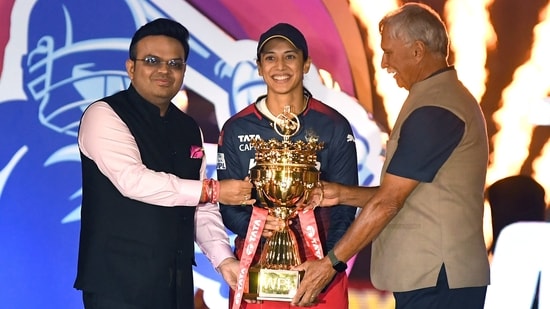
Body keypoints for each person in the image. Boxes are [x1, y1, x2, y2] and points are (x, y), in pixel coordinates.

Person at [291, 3, 491, 308]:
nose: (384, 63)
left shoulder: (435, 109)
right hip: (435, 276)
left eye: (389, 52)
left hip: (439, 279)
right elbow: (408, 193)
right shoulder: (437, 99)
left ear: (417, 51)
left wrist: (329, 264)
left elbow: (389, 201)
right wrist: (341, 194)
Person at [73, 18, 255, 309]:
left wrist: (224, 260)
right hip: (118, 285)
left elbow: (200, 209)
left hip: (177, 282)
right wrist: (214, 191)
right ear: (131, 67)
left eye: (175, 63)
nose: (164, 71)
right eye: (152, 61)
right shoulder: (104, 114)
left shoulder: (188, 127)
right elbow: (134, 181)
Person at [216, 23, 359, 308]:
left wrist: (327, 264)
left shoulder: (332, 125)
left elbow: (346, 206)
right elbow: (228, 205)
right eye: (270, 57)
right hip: (257, 263)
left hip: (318, 268)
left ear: (306, 64)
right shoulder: (236, 128)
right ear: (259, 67)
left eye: (290, 56)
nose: (280, 66)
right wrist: (260, 227)